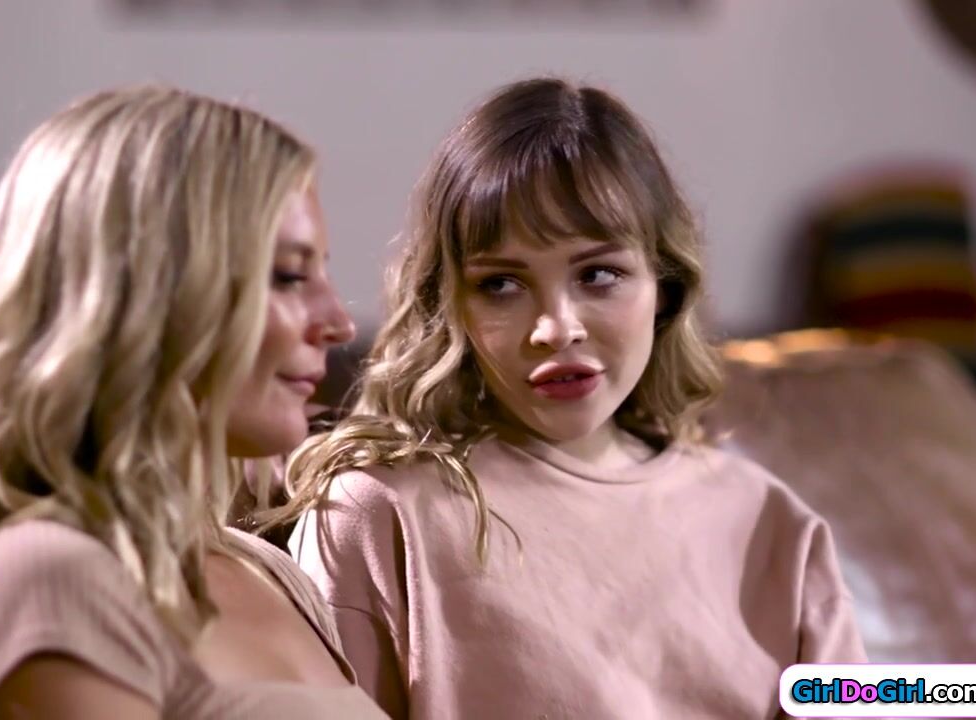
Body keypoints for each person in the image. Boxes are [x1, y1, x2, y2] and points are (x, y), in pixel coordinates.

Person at [266, 77, 867, 719]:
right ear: (452, 305)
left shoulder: (771, 523)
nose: (556, 328)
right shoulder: (380, 512)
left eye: (598, 275)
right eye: (501, 285)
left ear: (663, 286)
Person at [0, 85, 388, 719]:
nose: (338, 323)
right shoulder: (53, 574)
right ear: (151, 295)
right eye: (289, 276)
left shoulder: (270, 570)